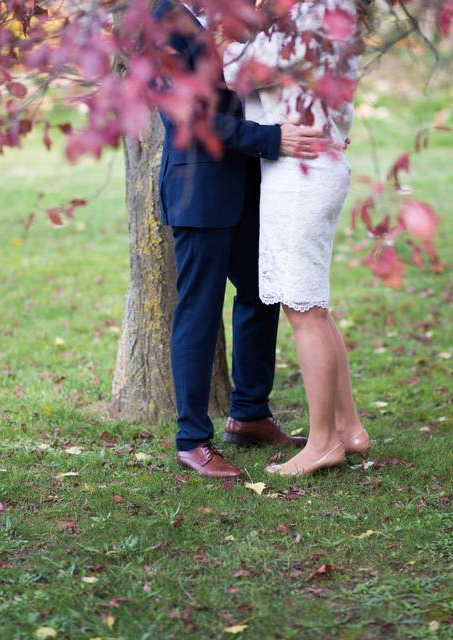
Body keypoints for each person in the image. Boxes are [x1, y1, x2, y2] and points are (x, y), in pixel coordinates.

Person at [153, 0, 332, 478]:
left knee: (260, 293)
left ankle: (250, 412)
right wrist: (271, 139)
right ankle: (192, 440)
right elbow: (191, 117)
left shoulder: (229, 13)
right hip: (200, 189)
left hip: (251, 185)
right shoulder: (160, 22)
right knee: (200, 309)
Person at [221, 0, 372, 476]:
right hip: (309, 166)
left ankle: (323, 441)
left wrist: (222, 41)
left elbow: (240, 72)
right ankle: (349, 428)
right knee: (312, 306)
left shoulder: (312, 14)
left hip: (302, 172)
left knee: (303, 308)